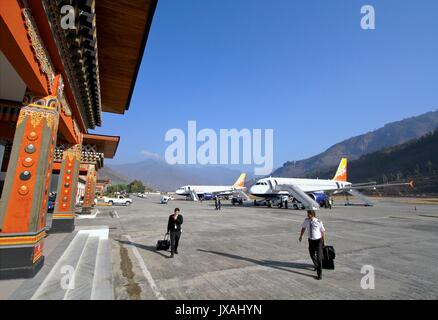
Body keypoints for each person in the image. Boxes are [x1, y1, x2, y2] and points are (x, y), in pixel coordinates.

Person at [299, 210, 325, 280]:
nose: (307, 215)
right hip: (311, 241)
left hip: (318, 241)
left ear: (312, 214)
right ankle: (316, 265)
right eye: (307, 214)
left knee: (319, 258)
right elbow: (303, 228)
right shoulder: (306, 221)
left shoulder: (318, 221)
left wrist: (323, 241)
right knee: (312, 254)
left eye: (308, 214)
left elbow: (322, 231)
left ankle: (319, 274)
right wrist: (301, 236)